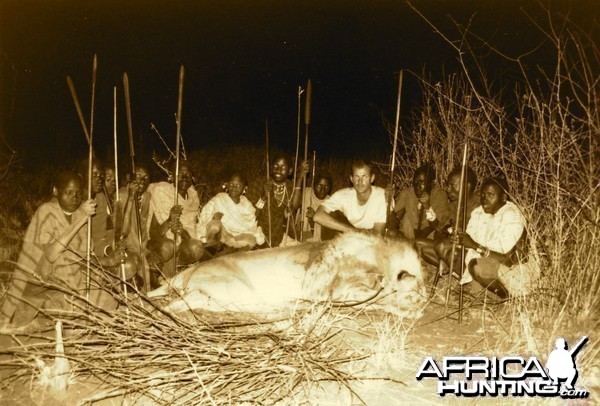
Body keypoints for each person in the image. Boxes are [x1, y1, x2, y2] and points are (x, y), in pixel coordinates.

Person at [0, 171, 123, 326]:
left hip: (69, 280)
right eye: (69, 192)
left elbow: (83, 257)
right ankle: (52, 313)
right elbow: (52, 254)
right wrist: (81, 219)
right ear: (56, 191)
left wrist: (108, 261)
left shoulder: (79, 213)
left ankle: (52, 316)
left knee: (109, 301)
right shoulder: (47, 211)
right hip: (40, 281)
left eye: (78, 193)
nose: (75, 197)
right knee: (70, 280)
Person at [437, 177, 534, 298]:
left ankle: (506, 298)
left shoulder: (512, 216)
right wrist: (459, 239)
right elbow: (469, 241)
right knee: (447, 248)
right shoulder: (479, 212)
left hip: (514, 272)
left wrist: (473, 245)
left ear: (503, 198)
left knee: (476, 266)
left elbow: (506, 260)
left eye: (490, 195)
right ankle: (482, 291)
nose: (484, 199)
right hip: (487, 262)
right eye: (482, 195)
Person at [146, 160, 205, 275]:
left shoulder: (193, 197)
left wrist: (181, 231)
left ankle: (178, 269)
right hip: (161, 243)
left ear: (192, 177)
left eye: (187, 174)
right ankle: (155, 271)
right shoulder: (162, 193)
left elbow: (191, 232)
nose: (184, 177)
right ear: (172, 177)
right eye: (180, 173)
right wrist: (169, 220)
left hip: (181, 246)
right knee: (169, 246)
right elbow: (153, 234)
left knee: (196, 247)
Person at [418, 166, 479, 267]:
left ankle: (448, 265)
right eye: (448, 185)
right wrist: (444, 233)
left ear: (467, 186)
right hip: (446, 246)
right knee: (417, 243)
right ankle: (444, 263)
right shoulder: (453, 205)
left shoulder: (479, 206)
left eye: (453, 185)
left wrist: (446, 233)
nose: (447, 189)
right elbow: (438, 230)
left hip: (468, 253)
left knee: (441, 245)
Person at [246, 154, 309, 247]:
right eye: (276, 166)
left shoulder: (289, 186)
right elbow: (250, 216)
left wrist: (300, 178)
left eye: (283, 167)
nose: (278, 169)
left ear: (290, 171)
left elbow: (291, 211)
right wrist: (263, 197)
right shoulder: (259, 183)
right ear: (271, 168)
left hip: (279, 235)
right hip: (257, 233)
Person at [313, 159, 387, 236]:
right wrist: (354, 231)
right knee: (332, 214)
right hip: (351, 236)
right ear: (351, 178)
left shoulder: (381, 195)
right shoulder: (343, 195)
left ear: (372, 178)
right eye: (357, 176)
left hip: (372, 241)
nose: (360, 181)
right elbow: (317, 216)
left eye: (364, 176)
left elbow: (378, 234)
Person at [197, 173, 265, 249]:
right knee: (214, 226)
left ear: (244, 188)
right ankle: (213, 249)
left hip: (239, 235)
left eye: (238, 185)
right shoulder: (219, 198)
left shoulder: (246, 204)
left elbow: (253, 219)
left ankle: (228, 248)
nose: (234, 188)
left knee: (251, 240)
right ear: (227, 185)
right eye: (231, 184)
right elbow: (205, 214)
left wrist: (263, 198)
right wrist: (213, 217)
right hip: (222, 234)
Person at [394, 163, 450, 241]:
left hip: (428, 239)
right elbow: (394, 222)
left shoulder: (440, 195)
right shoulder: (407, 193)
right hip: (408, 236)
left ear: (431, 184)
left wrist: (427, 207)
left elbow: (438, 227)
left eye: (422, 182)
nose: (418, 186)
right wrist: (388, 201)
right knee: (406, 218)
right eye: (415, 182)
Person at [76, 158, 114, 259]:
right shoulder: (72, 201)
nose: (99, 179)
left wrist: (109, 250)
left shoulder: (100, 200)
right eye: (94, 175)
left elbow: (99, 238)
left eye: (102, 175)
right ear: (81, 176)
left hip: (93, 252)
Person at [297, 174, 332, 242]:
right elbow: (293, 205)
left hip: (317, 240)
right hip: (300, 234)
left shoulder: (331, 203)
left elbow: (327, 233)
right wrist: (300, 178)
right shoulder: (305, 193)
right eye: (319, 186)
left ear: (330, 187)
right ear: (313, 185)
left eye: (326, 186)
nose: (322, 190)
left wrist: (314, 218)